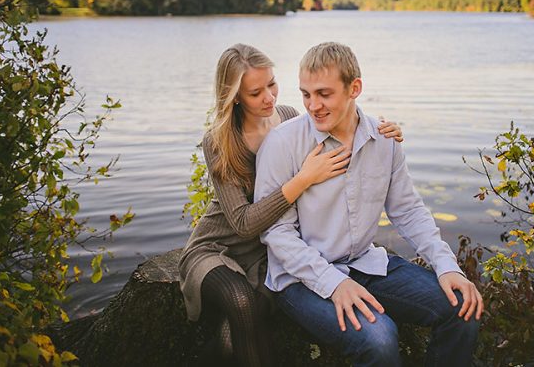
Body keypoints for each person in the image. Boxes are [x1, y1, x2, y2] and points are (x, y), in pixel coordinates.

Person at [254, 42, 483, 367]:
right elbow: (277, 234)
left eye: (324, 94)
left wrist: (446, 266)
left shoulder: (383, 139)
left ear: (354, 88)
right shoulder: (282, 144)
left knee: (462, 307)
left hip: (366, 263)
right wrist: (334, 284)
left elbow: (409, 211)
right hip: (299, 278)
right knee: (379, 338)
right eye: (305, 94)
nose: (313, 105)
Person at [178, 44, 403, 367]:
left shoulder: (287, 117)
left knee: (232, 340)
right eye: (256, 93)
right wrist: (302, 180)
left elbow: (339, 114)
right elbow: (242, 222)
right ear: (235, 96)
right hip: (220, 245)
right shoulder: (219, 140)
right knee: (242, 304)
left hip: (266, 250)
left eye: (272, 84)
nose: (269, 97)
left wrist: (382, 131)